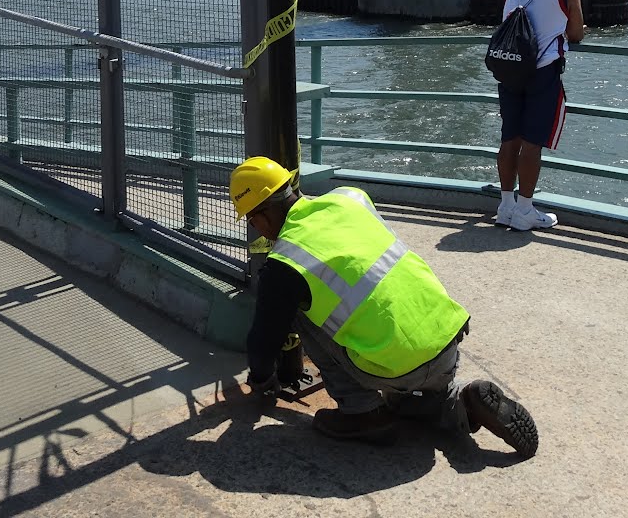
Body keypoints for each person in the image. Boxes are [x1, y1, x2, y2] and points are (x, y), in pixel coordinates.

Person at [231, 156, 539, 454]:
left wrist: (261, 379)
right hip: (446, 338)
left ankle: (361, 412)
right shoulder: (349, 198)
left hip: (394, 365)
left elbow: (265, 338)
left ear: (261, 217)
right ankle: (462, 403)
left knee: (297, 309)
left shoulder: (285, 263)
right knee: (408, 400)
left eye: (253, 222)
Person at [494, 0, 584, 231]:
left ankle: (505, 206)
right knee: (532, 144)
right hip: (543, 73)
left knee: (510, 139)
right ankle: (525, 211)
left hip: (510, 70)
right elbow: (576, 34)